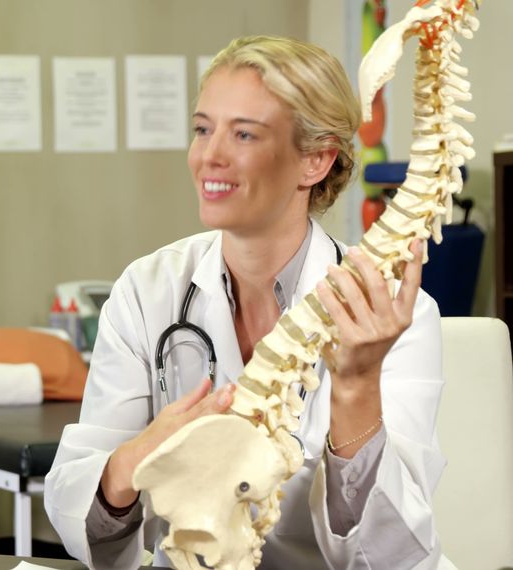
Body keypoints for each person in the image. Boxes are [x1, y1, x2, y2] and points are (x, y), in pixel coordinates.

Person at [45, 36, 447, 569]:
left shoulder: (395, 315)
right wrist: (139, 456)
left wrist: (354, 388)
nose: (209, 155)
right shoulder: (147, 291)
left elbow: (390, 554)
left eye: (244, 134)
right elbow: (81, 517)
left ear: (315, 161)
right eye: (203, 128)